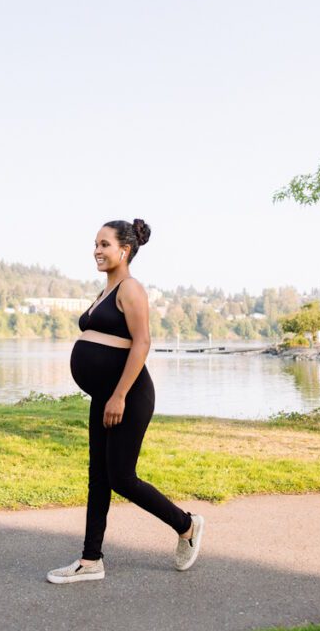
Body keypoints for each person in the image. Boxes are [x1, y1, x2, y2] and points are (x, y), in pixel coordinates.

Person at [47, 218, 203, 584]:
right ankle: (90, 560)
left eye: (104, 244)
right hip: (105, 395)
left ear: (124, 250)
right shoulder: (105, 291)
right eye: (96, 244)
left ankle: (187, 525)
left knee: (121, 477)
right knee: (97, 477)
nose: (97, 251)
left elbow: (142, 342)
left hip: (128, 395)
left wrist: (118, 395)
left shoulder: (130, 288)